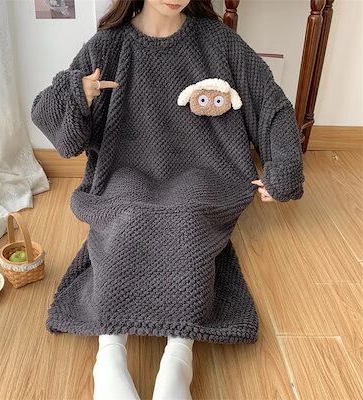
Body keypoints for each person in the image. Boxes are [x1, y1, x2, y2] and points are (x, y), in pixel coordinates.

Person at [31, 0, 305, 399]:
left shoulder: (220, 42)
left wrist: (284, 167)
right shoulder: (107, 45)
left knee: (187, 220)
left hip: (205, 174)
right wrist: (79, 93)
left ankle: (179, 354)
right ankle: (109, 353)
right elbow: (54, 123)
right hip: (125, 170)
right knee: (127, 216)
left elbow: (272, 106)